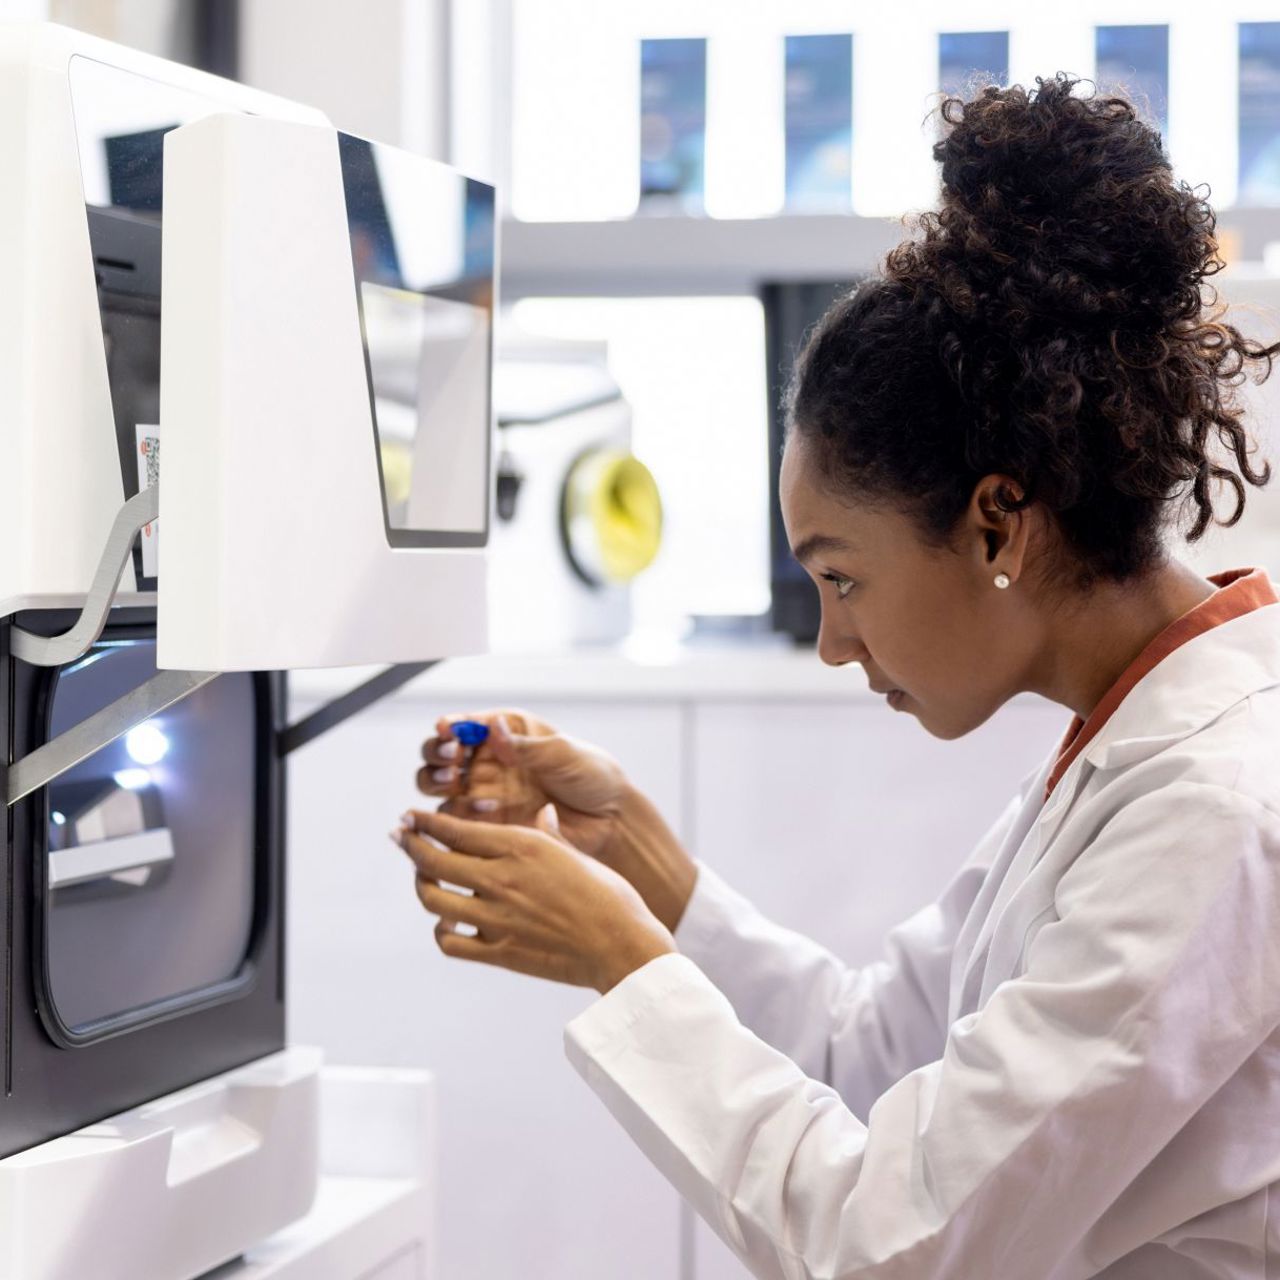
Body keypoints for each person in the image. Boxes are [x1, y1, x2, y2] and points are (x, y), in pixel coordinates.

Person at [392, 75, 1280, 1277]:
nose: (832, 641)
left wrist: (622, 962)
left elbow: (890, 1242)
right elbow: (870, 1055)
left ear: (995, 523)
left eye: (842, 577)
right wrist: (644, 870)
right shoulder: (1120, 741)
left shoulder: (1211, 808)